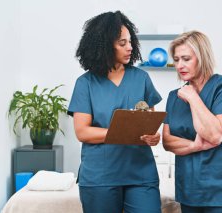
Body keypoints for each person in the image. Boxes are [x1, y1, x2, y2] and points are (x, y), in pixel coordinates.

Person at [67, 11, 162, 213]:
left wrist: (152, 137)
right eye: (122, 43)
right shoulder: (85, 84)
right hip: (100, 176)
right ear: (103, 46)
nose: (130, 47)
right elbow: (82, 132)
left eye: (130, 42)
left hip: (141, 173)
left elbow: (149, 124)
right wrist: (122, 131)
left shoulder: (141, 78)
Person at [162, 30, 222, 213]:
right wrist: (196, 146)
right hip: (189, 191)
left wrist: (193, 98)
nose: (180, 65)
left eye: (186, 58)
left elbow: (215, 135)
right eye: (176, 60)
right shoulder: (174, 97)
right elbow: (167, 141)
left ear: (202, 57)